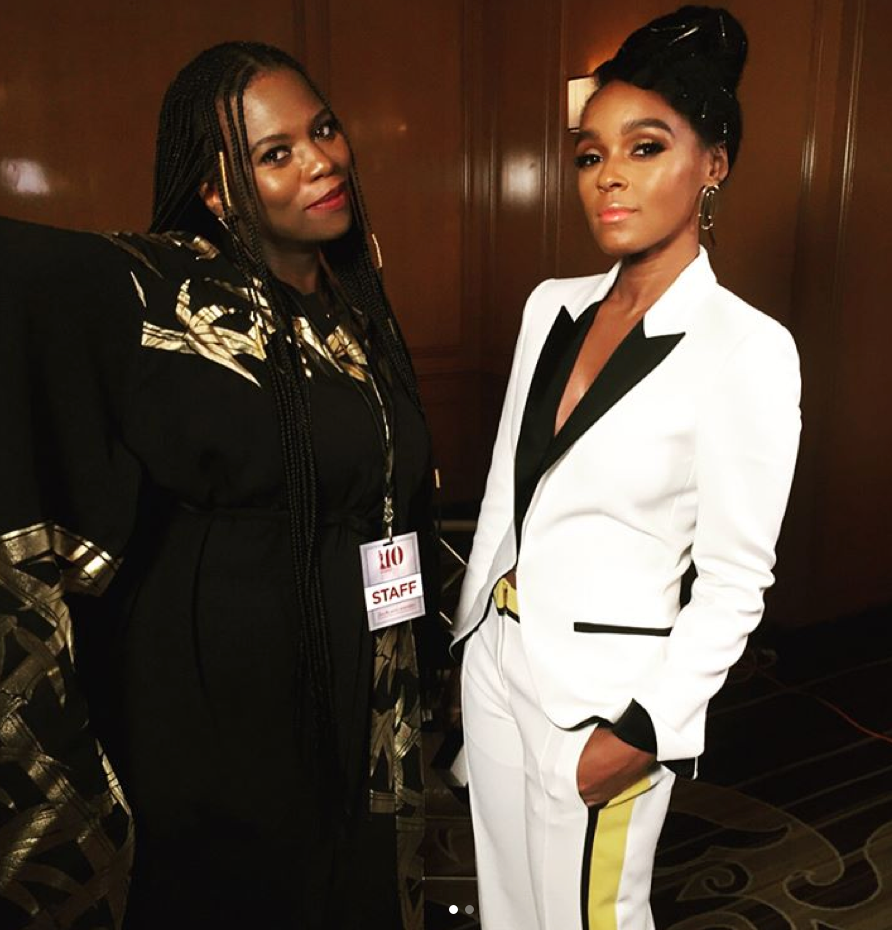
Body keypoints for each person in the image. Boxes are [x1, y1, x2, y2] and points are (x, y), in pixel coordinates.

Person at [0, 41, 435, 930]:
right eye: (276, 153)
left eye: (323, 130)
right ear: (216, 188)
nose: (321, 161)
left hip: (354, 670)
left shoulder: (355, 302)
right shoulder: (162, 289)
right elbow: (26, 273)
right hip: (219, 694)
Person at [452, 7, 801, 929]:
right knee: (509, 910)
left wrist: (646, 731)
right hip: (497, 661)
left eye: (645, 148)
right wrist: (471, 638)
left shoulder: (746, 349)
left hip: (605, 701)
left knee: (591, 918)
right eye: (589, 154)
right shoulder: (550, 307)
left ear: (713, 163)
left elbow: (735, 583)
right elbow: (507, 494)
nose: (608, 176)